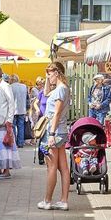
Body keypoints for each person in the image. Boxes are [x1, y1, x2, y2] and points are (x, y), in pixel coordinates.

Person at [38, 62, 71, 211]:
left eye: (50, 74)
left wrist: (51, 133)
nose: (48, 77)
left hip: (54, 131)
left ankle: (47, 200)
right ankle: (63, 200)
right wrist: (46, 78)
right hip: (61, 131)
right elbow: (45, 93)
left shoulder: (60, 90)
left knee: (51, 167)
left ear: (57, 73)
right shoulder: (62, 89)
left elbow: (56, 113)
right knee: (63, 167)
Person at [10, 74, 28, 147]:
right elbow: (27, 99)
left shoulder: (10, 87)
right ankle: (20, 143)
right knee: (21, 126)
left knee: (13, 126)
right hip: (22, 109)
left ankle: (14, 143)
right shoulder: (24, 87)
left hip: (13, 110)